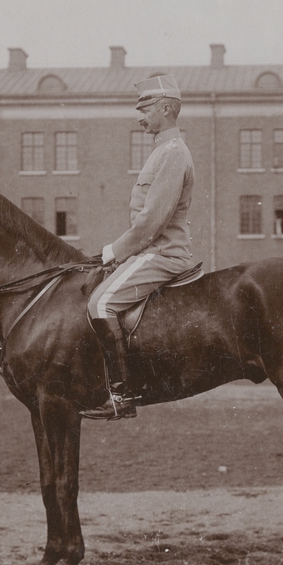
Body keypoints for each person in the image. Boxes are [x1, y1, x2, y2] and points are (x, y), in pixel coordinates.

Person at [81, 75, 195, 421]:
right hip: (148, 252)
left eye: (144, 108)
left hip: (163, 255)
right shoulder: (162, 152)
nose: (139, 116)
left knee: (100, 304)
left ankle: (121, 395)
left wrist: (112, 251)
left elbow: (151, 222)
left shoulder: (173, 154)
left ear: (166, 108)